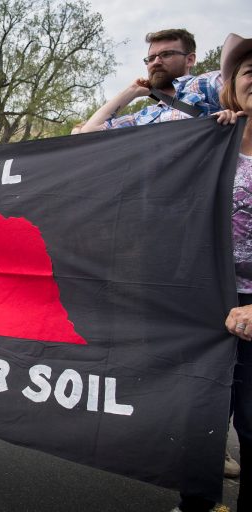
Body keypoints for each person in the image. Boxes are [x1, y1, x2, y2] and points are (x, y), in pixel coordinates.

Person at [203, 32, 252, 512]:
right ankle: (196, 501)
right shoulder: (213, 144)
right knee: (201, 413)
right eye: (246, 68)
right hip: (209, 303)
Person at [81, 29, 222, 132]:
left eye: (166, 54)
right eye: (150, 58)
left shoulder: (208, 82)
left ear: (190, 60)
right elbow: (89, 132)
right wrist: (132, 91)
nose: (156, 62)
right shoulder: (143, 116)